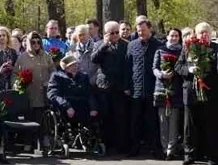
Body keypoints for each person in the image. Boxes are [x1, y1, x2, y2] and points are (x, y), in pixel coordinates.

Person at [178, 21, 218, 165]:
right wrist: (189, 70)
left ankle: (212, 155)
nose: (204, 35)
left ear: (211, 34)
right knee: (190, 126)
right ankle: (190, 154)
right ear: (195, 34)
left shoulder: (217, 49)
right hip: (191, 92)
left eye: (206, 32)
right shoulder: (188, 47)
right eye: (200, 32)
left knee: (211, 124)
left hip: (210, 92)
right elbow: (179, 66)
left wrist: (205, 71)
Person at [92, 21, 131, 155]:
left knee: (120, 117)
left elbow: (128, 66)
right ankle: (106, 145)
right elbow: (94, 60)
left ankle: (121, 145)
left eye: (116, 32)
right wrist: (104, 45)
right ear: (106, 33)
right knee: (105, 115)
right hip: (104, 86)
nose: (115, 35)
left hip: (120, 86)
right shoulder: (99, 45)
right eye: (112, 33)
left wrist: (127, 85)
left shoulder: (126, 45)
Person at [15, 31, 56, 154]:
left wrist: (50, 82)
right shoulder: (22, 57)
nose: (36, 44)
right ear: (29, 43)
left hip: (44, 91)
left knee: (43, 117)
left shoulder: (46, 56)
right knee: (29, 117)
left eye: (38, 42)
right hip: (29, 92)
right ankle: (28, 142)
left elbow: (53, 71)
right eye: (33, 42)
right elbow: (15, 74)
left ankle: (44, 140)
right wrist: (18, 84)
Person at [127, 17, 162, 157]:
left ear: (150, 29)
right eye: (138, 31)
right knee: (135, 120)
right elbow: (127, 66)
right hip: (136, 89)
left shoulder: (158, 45)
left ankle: (155, 148)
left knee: (152, 121)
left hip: (152, 88)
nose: (141, 33)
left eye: (143, 30)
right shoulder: (132, 45)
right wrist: (127, 86)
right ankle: (135, 147)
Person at [47, 53, 100, 141]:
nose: (75, 67)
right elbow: (53, 94)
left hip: (82, 105)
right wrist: (67, 106)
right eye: (71, 65)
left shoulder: (83, 77)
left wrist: (94, 108)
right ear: (65, 68)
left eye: (76, 64)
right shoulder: (57, 77)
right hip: (65, 105)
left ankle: (90, 136)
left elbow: (89, 94)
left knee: (95, 113)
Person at [153, 28, 185, 160]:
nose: (174, 38)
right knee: (163, 121)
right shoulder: (160, 50)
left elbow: (182, 67)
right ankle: (164, 147)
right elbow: (154, 68)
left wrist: (174, 73)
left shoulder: (182, 51)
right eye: (172, 35)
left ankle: (171, 149)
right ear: (167, 36)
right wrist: (162, 74)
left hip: (176, 89)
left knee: (174, 121)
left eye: (176, 36)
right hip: (161, 89)